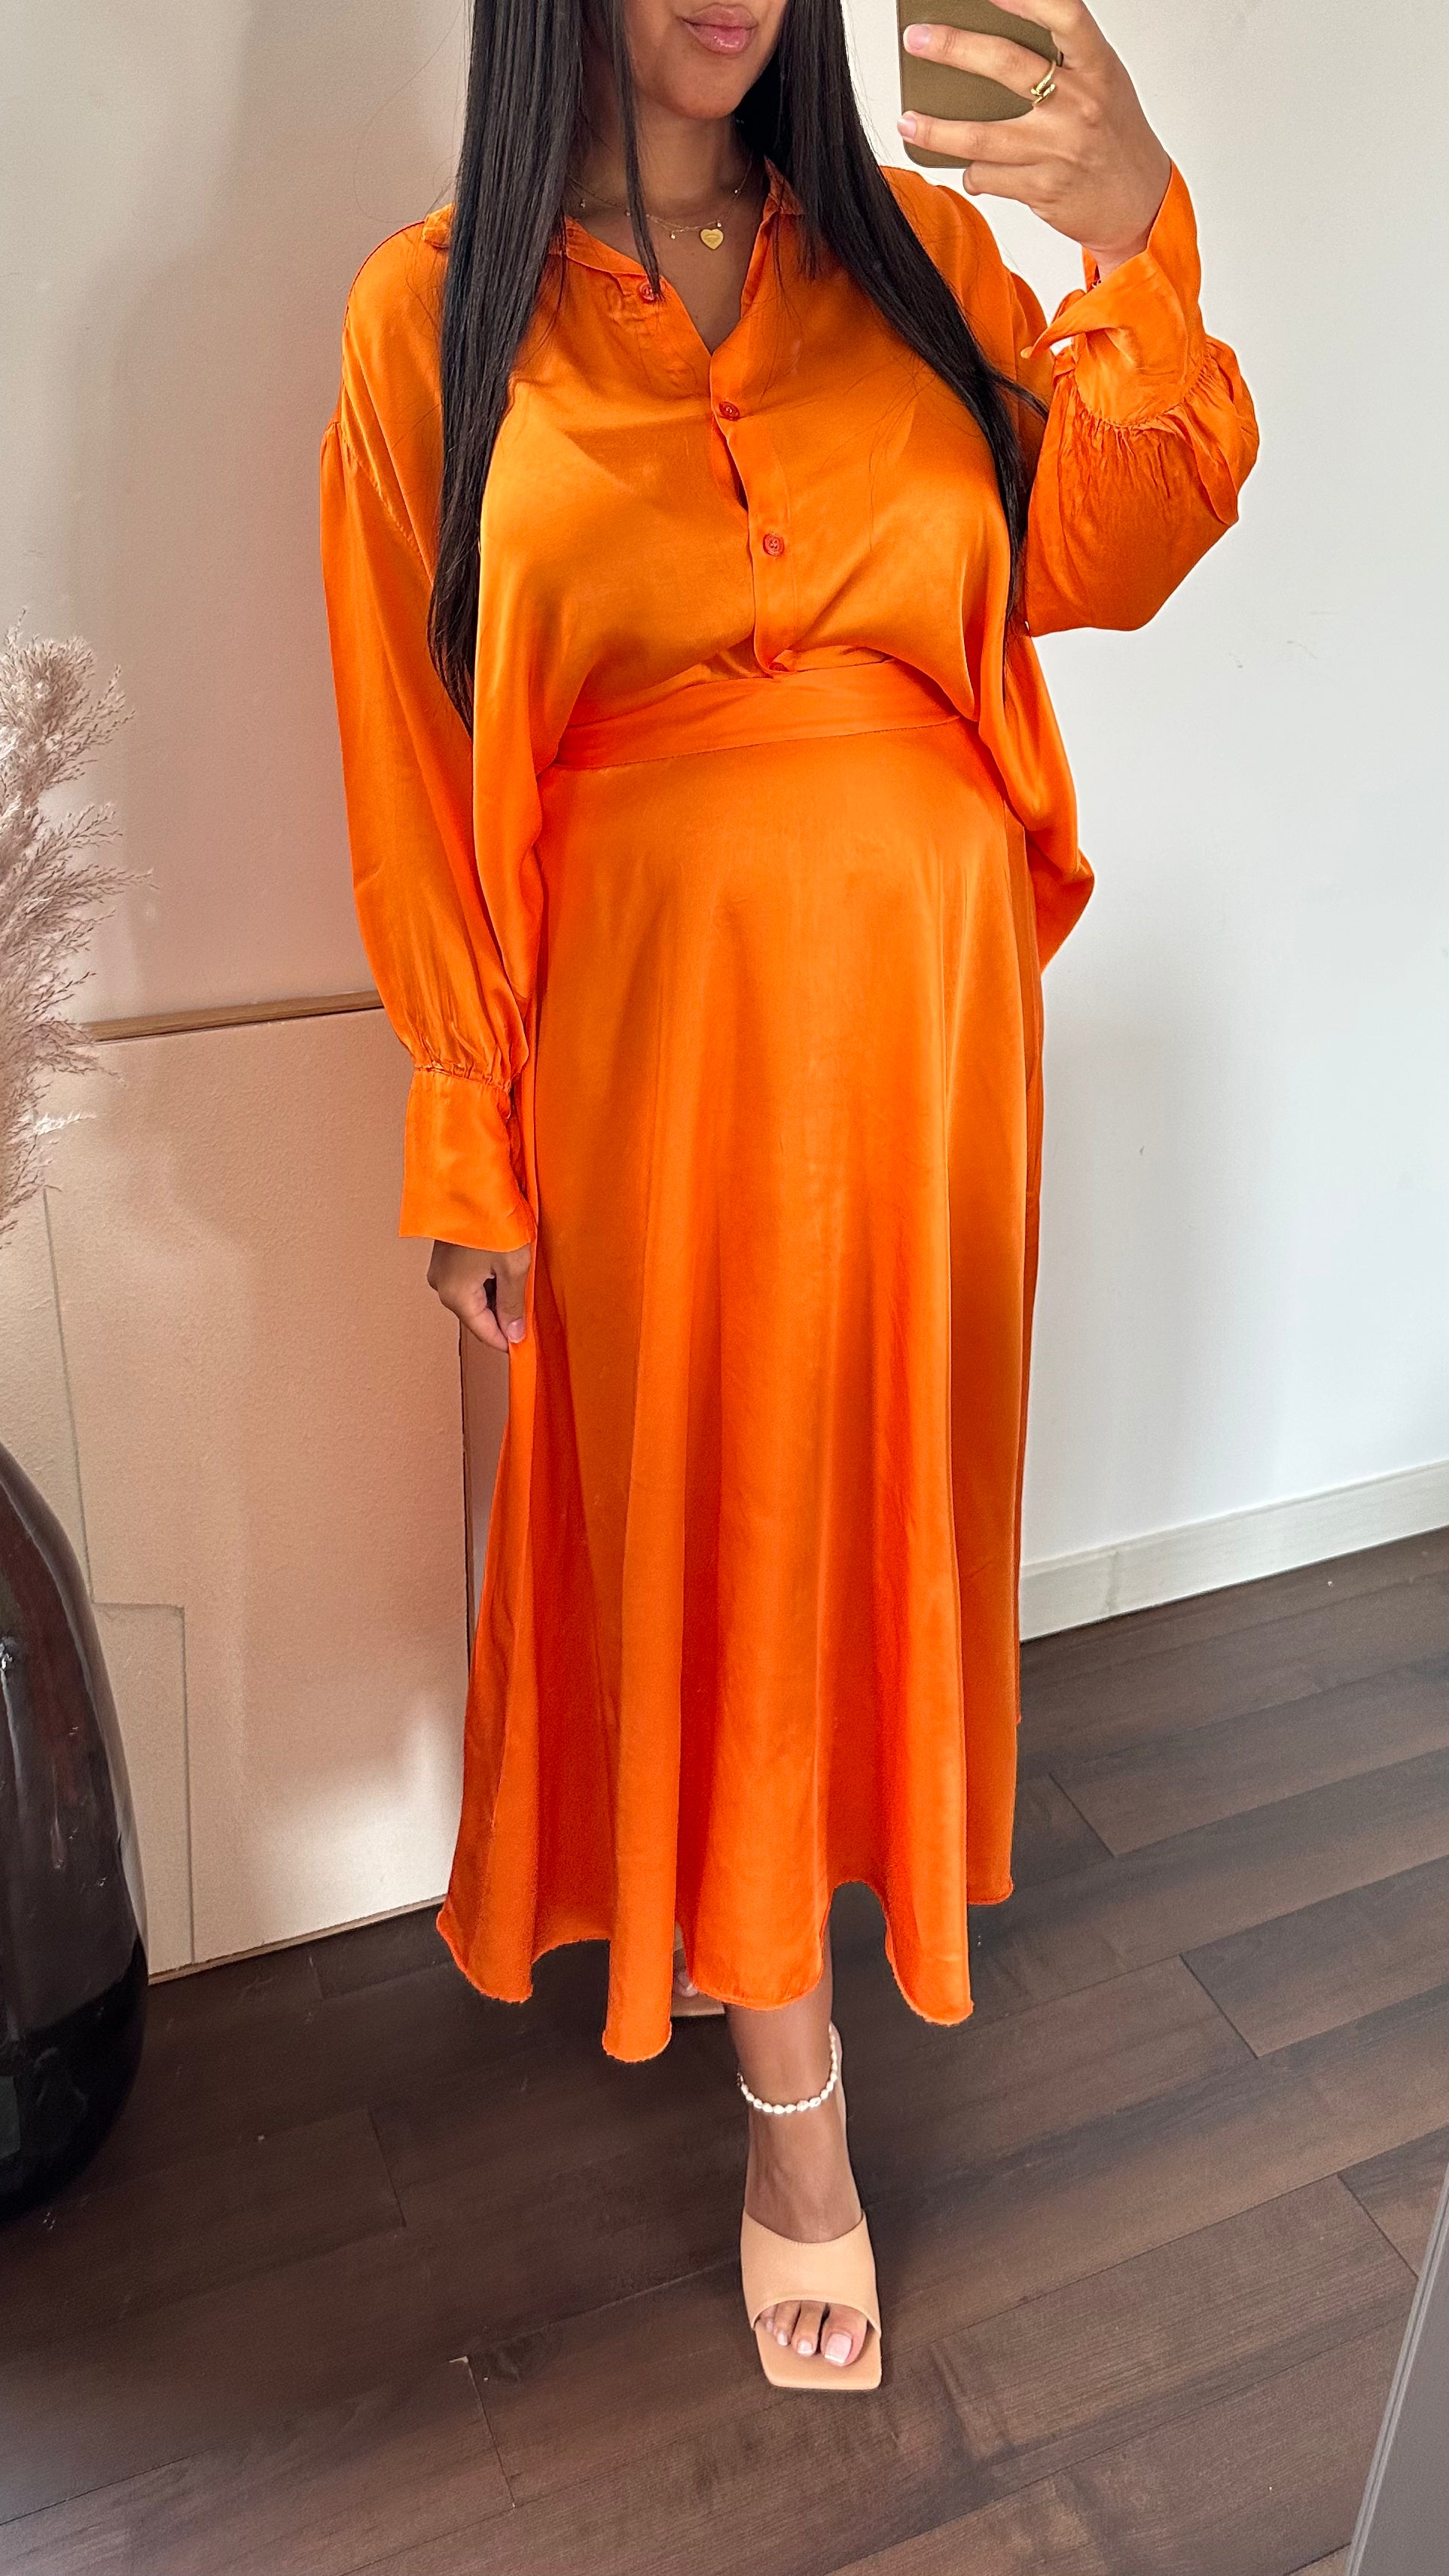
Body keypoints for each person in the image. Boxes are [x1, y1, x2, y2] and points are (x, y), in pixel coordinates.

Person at [319, 0, 1258, 2392]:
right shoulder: (430, 317)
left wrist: (1131, 235)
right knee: (719, 1531)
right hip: (651, 1036)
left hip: (929, 1029)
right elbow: (412, 757)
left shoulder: (917, 259)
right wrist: (466, 1126)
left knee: (874, 1512)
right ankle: (791, 2104)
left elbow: (1115, 549)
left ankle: (819, 1934)